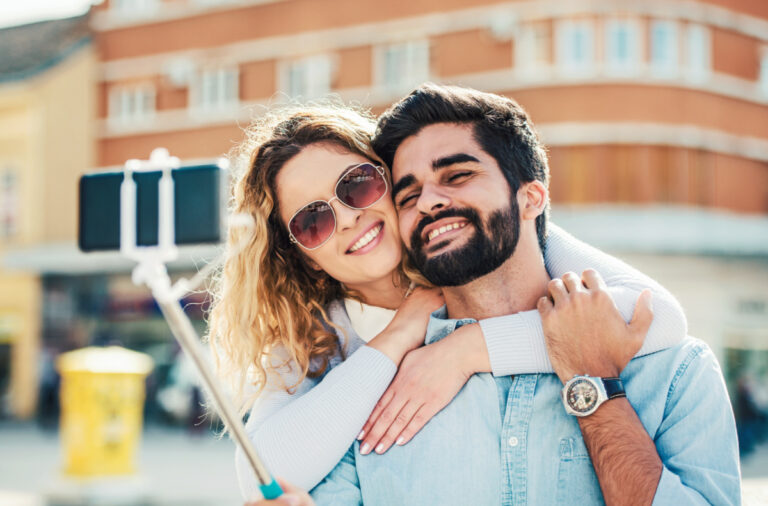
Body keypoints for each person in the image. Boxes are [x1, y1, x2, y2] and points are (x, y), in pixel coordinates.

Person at [209, 101, 687, 501]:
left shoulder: (491, 240)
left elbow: (658, 317)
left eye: (357, 186)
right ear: (306, 256)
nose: (349, 218)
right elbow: (260, 475)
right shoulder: (313, 337)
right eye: (313, 221)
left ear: (391, 180)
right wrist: (398, 336)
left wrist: (465, 350)